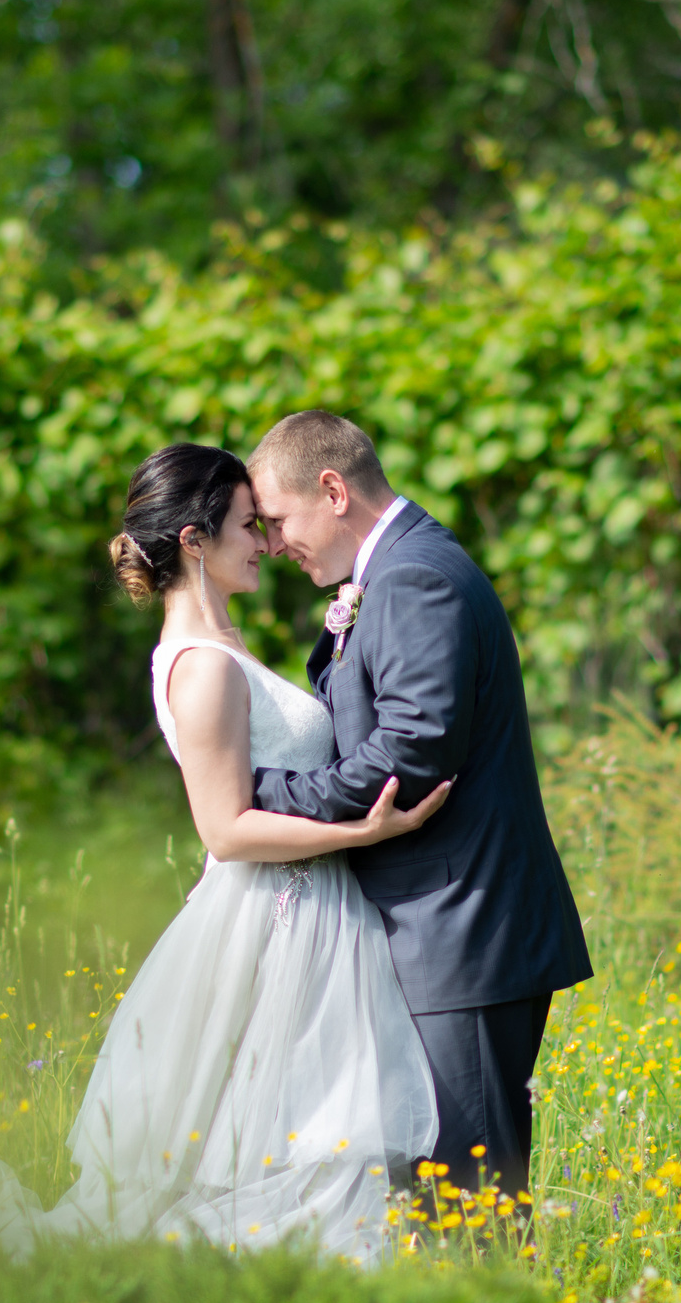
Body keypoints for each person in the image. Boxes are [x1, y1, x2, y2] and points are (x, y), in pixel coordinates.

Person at [0, 442, 445, 1263]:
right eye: (248, 526)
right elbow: (225, 828)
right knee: (277, 1147)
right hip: (270, 919)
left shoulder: (225, 647)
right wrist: (362, 831)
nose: (267, 543)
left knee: (297, 1138)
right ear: (194, 539)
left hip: (308, 916)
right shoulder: (203, 668)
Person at [246, 411, 591, 1209]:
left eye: (279, 520)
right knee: (436, 1197)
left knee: (471, 1200)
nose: (274, 544)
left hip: (459, 930)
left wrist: (260, 793)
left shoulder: (412, 578)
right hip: (442, 929)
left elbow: (408, 754)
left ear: (333, 490)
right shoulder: (398, 569)